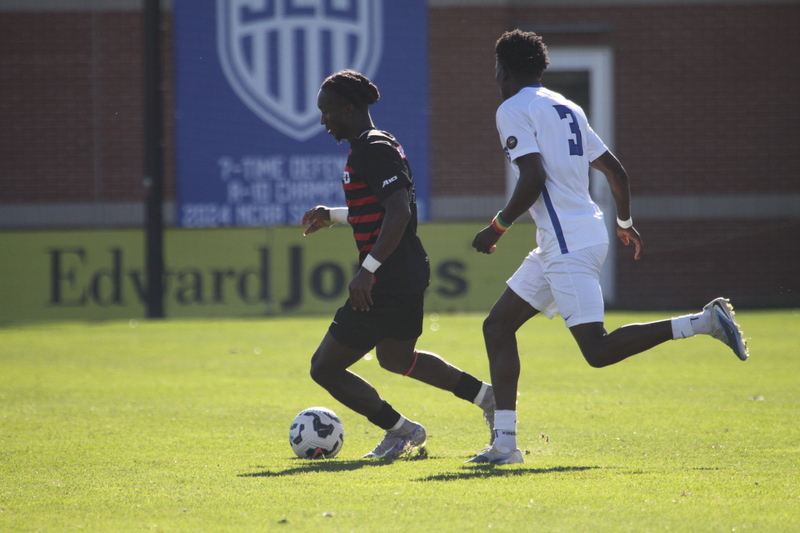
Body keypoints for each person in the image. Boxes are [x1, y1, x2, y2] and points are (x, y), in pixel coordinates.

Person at [468, 30, 749, 465]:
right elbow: (616, 172)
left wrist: (498, 227)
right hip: (570, 238)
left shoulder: (513, 108)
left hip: (567, 244)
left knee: (597, 351)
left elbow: (533, 178)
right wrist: (625, 223)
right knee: (497, 326)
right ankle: (505, 444)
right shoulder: (567, 106)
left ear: (502, 70)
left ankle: (704, 322)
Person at [302, 69, 495, 459]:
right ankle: (487, 397)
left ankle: (401, 431)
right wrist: (333, 215)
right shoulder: (374, 144)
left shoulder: (372, 147)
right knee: (396, 359)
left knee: (324, 367)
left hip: (388, 277)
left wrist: (368, 270)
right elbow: (377, 208)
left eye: (327, 112)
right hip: (403, 271)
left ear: (349, 109)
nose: (323, 120)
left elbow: (399, 212)